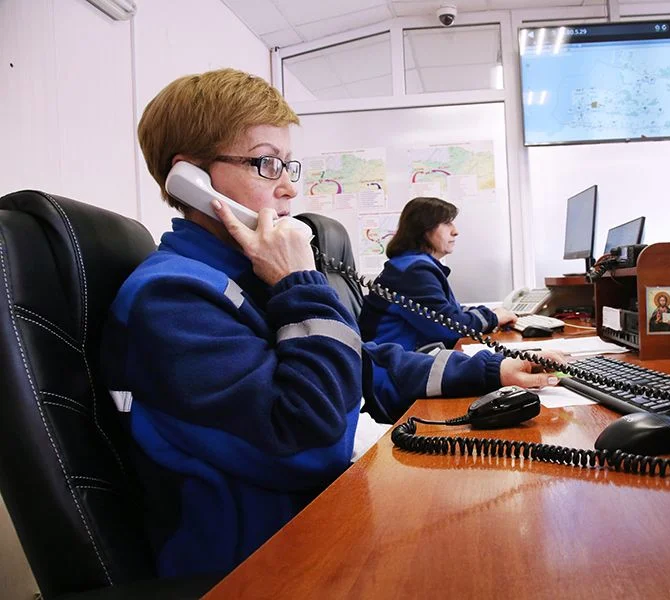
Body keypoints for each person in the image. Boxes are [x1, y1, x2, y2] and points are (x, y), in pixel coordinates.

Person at [100, 69, 559, 578]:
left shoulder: (242, 278)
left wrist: (490, 371)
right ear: (192, 179)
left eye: (287, 164)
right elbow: (311, 439)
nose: (289, 188)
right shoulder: (172, 298)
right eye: (265, 163)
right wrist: (299, 282)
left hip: (318, 526)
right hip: (257, 567)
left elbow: (361, 364)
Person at [359, 196, 517, 351]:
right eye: (447, 223)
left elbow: (450, 312)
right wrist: (493, 318)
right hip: (393, 364)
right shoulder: (414, 273)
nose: (455, 231)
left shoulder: (408, 265)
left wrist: (490, 314)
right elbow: (449, 327)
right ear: (424, 229)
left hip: (402, 358)